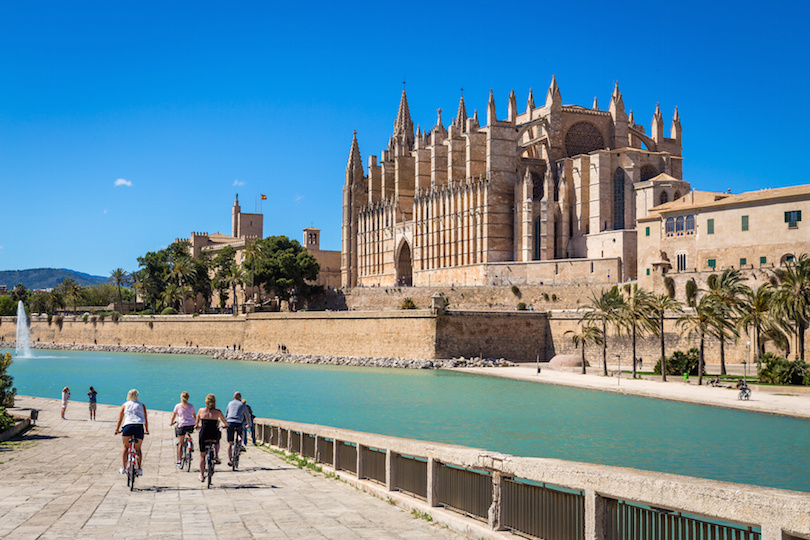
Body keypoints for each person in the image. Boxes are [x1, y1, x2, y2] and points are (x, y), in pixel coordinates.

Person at [114, 389, 149, 476]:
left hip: (128, 426)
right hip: (139, 427)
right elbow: (145, 419)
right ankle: (139, 468)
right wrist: (147, 430)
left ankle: (123, 467)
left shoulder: (125, 405)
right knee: (138, 449)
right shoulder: (142, 405)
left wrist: (117, 429)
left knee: (126, 447)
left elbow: (120, 419)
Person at [195, 393, 227, 482]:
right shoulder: (218, 412)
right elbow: (225, 422)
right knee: (217, 439)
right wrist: (225, 425)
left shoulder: (201, 411)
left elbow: (197, 422)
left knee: (202, 455)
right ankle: (216, 455)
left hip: (204, 435)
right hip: (213, 434)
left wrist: (197, 426)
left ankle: (201, 475)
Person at [169, 391, 196, 468]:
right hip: (191, 424)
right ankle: (190, 443)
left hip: (182, 425)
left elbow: (173, 416)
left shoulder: (178, 406)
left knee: (180, 444)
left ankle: (179, 461)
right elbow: (194, 416)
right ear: (188, 398)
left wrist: (171, 423)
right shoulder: (191, 406)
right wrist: (197, 423)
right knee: (188, 433)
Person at [225, 392, 248, 466]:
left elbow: (226, 414)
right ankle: (240, 443)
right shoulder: (242, 404)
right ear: (240, 397)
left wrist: (225, 423)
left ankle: (230, 460)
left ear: (233, 397)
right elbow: (247, 415)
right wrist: (249, 424)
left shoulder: (230, 403)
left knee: (230, 442)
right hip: (238, 422)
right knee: (241, 433)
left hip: (230, 422)